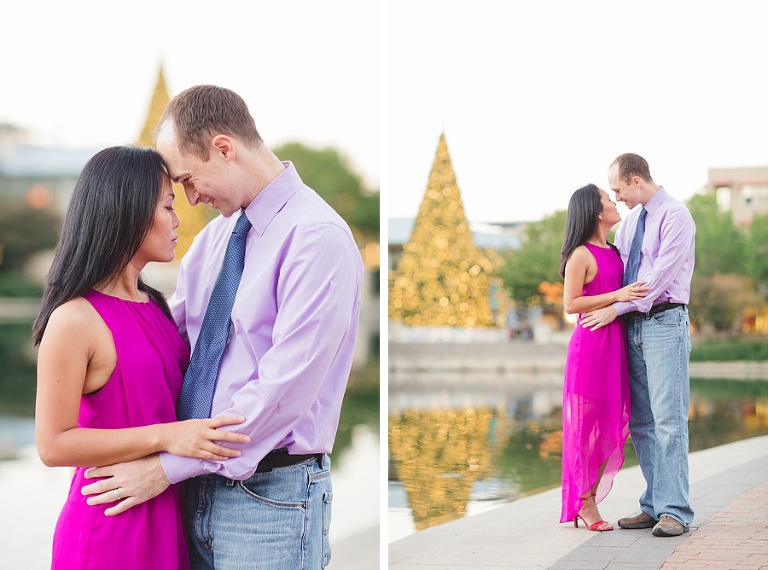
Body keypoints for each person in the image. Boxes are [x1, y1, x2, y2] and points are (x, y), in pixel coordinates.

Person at [80, 86, 364, 568]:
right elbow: (171, 343)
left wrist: (166, 468)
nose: (189, 199)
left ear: (224, 148)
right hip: (192, 493)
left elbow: (280, 394)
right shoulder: (216, 239)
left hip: (269, 500)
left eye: (189, 179)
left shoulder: (317, 239)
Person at [33, 146, 250, 569]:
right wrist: (168, 437)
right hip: (110, 526)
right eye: (167, 206)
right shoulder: (75, 318)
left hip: (166, 516)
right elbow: (52, 444)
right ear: (128, 212)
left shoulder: (155, 305)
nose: (177, 219)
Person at [580, 153, 696, 537]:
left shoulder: (676, 217)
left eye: (618, 189)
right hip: (632, 327)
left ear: (635, 180)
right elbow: (618, 274)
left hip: (664, 322)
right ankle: (654, 505)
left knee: (669, 421)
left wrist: (615, 309)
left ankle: (676, 511)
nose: (618, 197)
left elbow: (658, 280)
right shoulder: (629, 226)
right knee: (643, 422)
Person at [559, 183, 648, 531]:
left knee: (611, 425)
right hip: (591, 349)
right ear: (597, 212)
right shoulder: (581, 254)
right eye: (609, 199)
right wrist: (618, 294)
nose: (615, 202)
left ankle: (587, 497)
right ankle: (584, 502)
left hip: (615, 347)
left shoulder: (612, 252)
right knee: (587, 429)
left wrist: (622, 299)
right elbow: (570, 304)